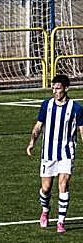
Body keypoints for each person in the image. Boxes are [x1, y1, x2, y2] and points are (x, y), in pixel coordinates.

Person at [26, 73, 83, 233]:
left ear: (66, 88)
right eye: (53, 88)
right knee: (45, 188)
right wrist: (32, 142)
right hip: (48, 154)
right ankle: (45, 211)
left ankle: (61, 222)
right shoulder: (46, 105)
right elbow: (38, 126)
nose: (55, 91)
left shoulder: (76, 108)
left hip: (66, 153)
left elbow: (81, 131)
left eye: (58, 88)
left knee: (63, 185)